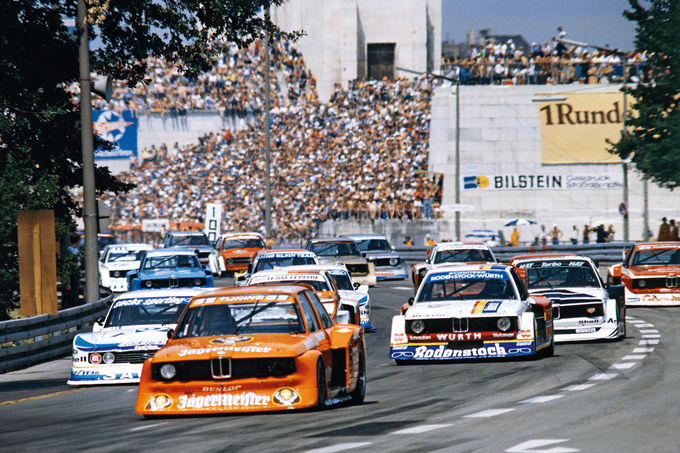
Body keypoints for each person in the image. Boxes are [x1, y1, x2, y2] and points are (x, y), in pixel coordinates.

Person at [62, 233, 82, 309]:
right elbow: (74, 262)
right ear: (77, 241)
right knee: (74, 288)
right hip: (73, 271)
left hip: (76, 270)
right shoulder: (70, 250)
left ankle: (74, 302)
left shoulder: (75, 250)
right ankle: (72, 304)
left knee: (76, 288)